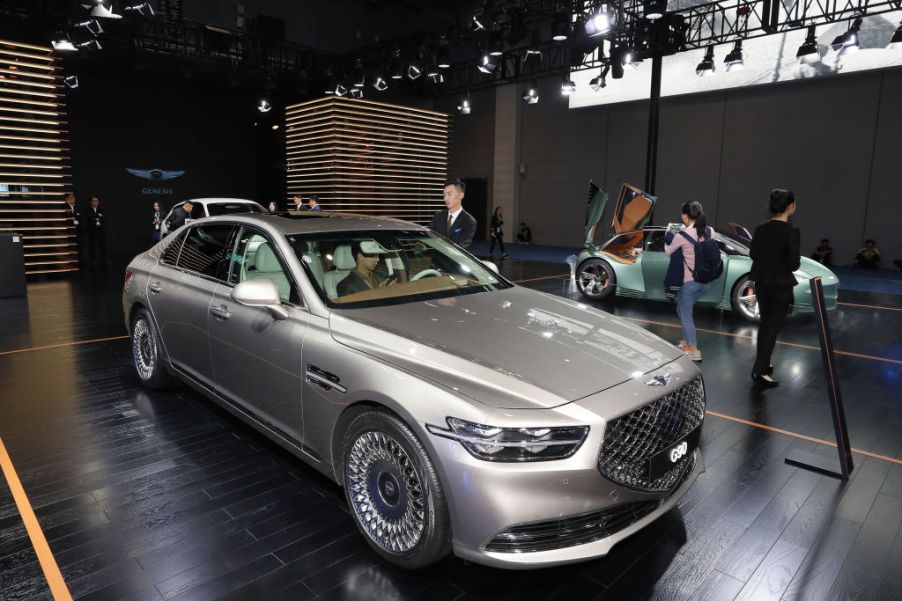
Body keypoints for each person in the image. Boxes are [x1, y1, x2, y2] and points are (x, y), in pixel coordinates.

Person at [749, 189, 801, 389]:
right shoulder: (792, 231)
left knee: (766, 325)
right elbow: (794, 264)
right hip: (781, 286)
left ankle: (764, 364)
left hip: (762, 282)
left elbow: (754, 254)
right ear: (790, 207)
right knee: (771, 327)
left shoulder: (761, 228)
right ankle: (760, 370)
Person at [664, 201, 714, 363]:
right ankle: (686, 343)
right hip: (705, 283)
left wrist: (667, 235)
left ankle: (694, 351)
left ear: (685, 216)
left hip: (689, 284)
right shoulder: (710, 231)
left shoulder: (682, 235)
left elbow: (669, 252)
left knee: (686, 314)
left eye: (682, 215)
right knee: (681, 309)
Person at [429, 179, 477, 248]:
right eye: (444, 195)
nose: (446, 198)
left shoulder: (469, 221)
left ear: (461, 195)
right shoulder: (438, 216)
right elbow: (429, 237)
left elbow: (461, 248)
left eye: (449, 194)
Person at [83, 195, 107, 266]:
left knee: (103, 245)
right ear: (90, 202)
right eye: (94, 200)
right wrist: (97, 217)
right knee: (92, 246)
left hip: (100, 230)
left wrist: (96, 218)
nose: (96, 202)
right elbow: (90, 217)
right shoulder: (87, 209)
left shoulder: (101, 209)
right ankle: (92, 261)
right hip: (92, 230)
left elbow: (104, 218)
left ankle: (104, 260)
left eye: (97, 200)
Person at [64, 192, 84, 265]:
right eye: (70, 197)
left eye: (73, 197)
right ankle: (71, 263)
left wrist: (74, 216)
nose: (72, 198)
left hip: (78, 231)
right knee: (70, 248)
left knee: (79, 248)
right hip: (68, 232)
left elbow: (81, 218)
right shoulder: (63, 208)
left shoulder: (79, 207)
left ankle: (79, 263)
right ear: (66, 199)